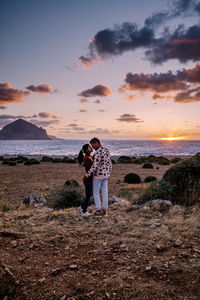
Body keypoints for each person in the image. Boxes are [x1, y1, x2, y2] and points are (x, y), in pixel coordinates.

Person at [85, 137, 112, 216]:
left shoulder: (98, 152)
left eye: (93, 145)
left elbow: (95, 165)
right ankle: (104, 210)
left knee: (96, 192)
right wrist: (109, 172)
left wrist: (88, 174)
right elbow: (110, 163)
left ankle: (98, 210)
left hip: (98, 176)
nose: (92, 147)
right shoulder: (106, 150)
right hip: (106, 175)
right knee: (105, 192)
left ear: (97, 143)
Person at [77, 144, 93, 217]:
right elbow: (91, 170)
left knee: (89, 194)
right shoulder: (87, 158)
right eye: (89, 147)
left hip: (88, 179)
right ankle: (84, 211)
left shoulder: (88, 157)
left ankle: (81, 207)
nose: (91, 147)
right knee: (88, 195)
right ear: (86, 150)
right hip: (88, 180)